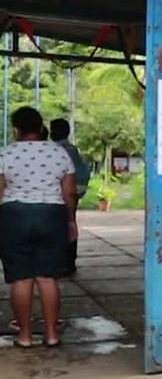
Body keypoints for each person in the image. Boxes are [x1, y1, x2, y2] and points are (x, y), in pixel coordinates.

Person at [0, 107, 77, 348]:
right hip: (51, 215)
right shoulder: (59, 153)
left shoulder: (5, 153)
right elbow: (70, 192)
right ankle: (51, 334)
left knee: (21, 279)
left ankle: (24, 336)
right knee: (48, 278)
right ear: (40, 126)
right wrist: (71, 220)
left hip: (14, 215)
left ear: (16, 129)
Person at [50, 118, 90, 276]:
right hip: (76, 188)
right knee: (70, 222)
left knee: (63, 225)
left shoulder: (57, 150)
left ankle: (64, 262)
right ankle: (69, 261)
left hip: (66, 189)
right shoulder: (71, 148)